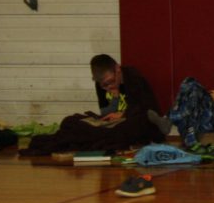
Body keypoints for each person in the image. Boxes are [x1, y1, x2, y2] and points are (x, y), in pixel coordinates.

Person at [22, 54, 164, 155]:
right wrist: (114, 98)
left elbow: (146, 108)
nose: (108, 86)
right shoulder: (101, 86)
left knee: (131, 127)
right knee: (70, 121)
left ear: (118, 69)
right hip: (113, 124)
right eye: (104, 85)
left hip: (132, 120)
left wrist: (122, 114)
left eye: (111, 81)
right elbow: (105, 112)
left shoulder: (133, 77)